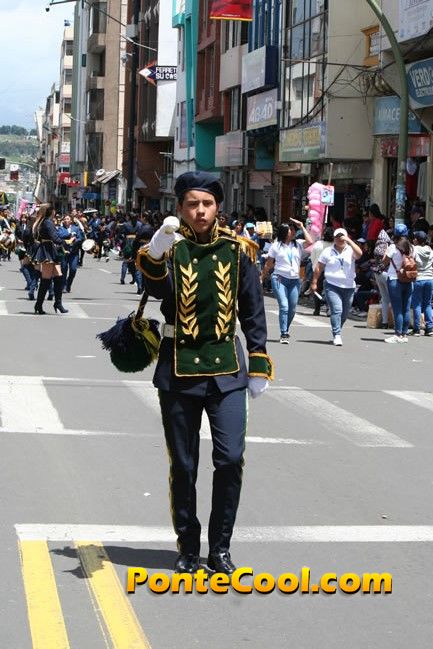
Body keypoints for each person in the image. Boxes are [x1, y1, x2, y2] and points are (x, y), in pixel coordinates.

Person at [137, 170, 273, 575]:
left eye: (207, 204)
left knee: (230, 459)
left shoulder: (238, 250)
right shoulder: (169, 248)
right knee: (184, 465)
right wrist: (157, 251)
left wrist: (259, 361)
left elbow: (252, 309)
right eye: (192, 204)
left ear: (218, 208)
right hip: (178, 369)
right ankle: (188, 545)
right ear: (180, 208)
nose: (200, 211)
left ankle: (221, 548)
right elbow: (157, 288)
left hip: (227, 370)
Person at [261, 220, 313, 343]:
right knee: (284, 306)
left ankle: (286, 328)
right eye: (291, 230)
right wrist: (261, 277)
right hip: (279, 278)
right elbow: (269, 264)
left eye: (294, 230)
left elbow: (310, 242)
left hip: (294, 280)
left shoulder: (298, 244)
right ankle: (284, 333)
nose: (294, 232)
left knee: (292, 308)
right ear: (284, 232)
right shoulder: (276, 246)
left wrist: (302, 227)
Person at [310, 228, 363, 346]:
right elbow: (319, 267)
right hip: (332, 285)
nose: (340, 239)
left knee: (344, 313)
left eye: (342, 236)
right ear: (334, 238)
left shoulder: (351, 250)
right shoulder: (327, 251)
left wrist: (349, 241)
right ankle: (337, 334)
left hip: (349, 286)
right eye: (337, 237)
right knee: (337, 310)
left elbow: (359, 254)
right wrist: (314, 282)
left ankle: (337, 328)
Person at [31, 204, 68, 314]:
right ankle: (38, 305)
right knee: (46, 279)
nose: (55, 211)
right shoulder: (47, 222)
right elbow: (54, 237)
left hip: (50, 249)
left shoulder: (45, 221)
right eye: (53, 209)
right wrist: (65, 242)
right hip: (47, 250)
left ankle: (58, 303)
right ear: (51, 211)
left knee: (59, 277)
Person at [382, 224, 414, 343]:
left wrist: (386, 252)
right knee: (406, 308)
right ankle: (404, 335)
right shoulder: (411, 247)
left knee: (397, 309)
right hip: (408, 280)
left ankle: (397, 334)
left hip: (395, 279)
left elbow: (384, 262)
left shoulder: (392, 247)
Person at [412, 230, 433, 336]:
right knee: (428, 304)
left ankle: (416, 329)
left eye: (415, 238)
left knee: (417, 304)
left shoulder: (414, 249)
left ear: (417, 240)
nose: (413, 240)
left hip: (418, 278)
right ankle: (429, 328)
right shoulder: (430, 249)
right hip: (430, 278)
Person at [58, 214, 84, 293]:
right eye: (65, 219)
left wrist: (75, 240)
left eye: (68, 219)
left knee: (73, 269)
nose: (66, 220)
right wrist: (69, 235)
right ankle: (63, 286)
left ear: (71, 220)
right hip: (64, 252)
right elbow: (60, 235)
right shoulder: (61, 228)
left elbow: (80, 238)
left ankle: (68, 284)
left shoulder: (76, 228)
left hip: (74, 252)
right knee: (64, 269)